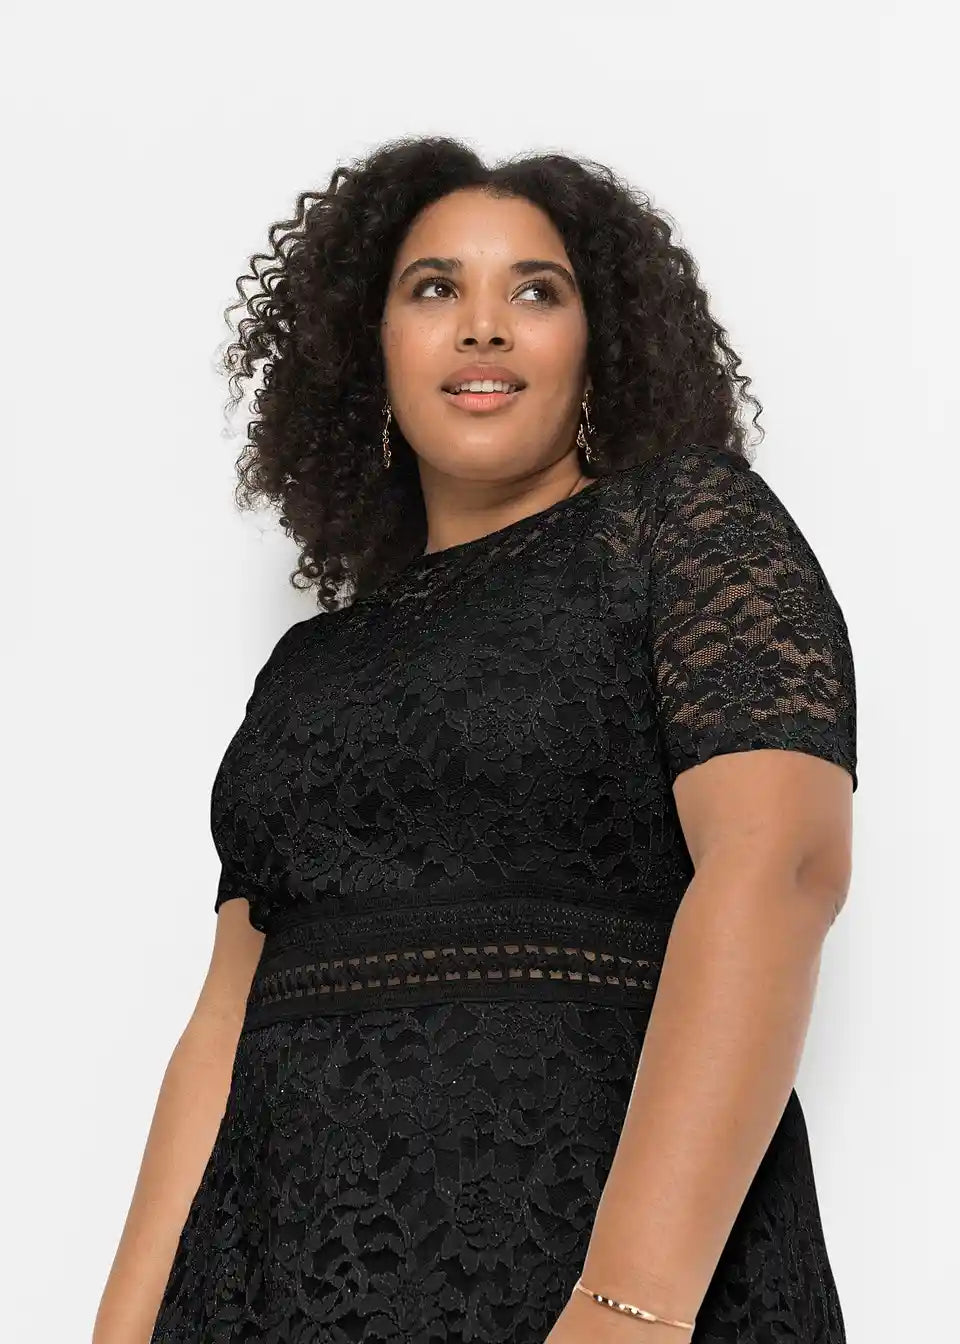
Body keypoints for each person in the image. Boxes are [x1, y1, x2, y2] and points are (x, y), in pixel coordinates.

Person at [94, 135, 858, 1344]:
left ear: (598, 349)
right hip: (271, 1293)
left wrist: (630, 1309)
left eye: (536, 292)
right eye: (435, 288)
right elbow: (226, 1021)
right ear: (374, 353)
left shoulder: (679, 531)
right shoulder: (308, 666)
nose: (484, 325)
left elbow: (783, 868)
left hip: (584, 1274)